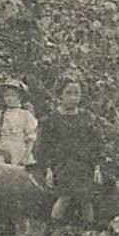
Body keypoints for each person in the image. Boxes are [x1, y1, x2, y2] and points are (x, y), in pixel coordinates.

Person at [37, 81, 103, 227]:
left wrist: (97, 168)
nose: (73, 98)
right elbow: (44, 147)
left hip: (84, 165)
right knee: (65, 196)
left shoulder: (86, 117)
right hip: (62, 165)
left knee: (87, 200)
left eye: (76, 93)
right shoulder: (51, 119)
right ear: (60, 95)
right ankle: (54, 231)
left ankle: (88, 232)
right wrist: (48, 170)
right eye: (68, 93)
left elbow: (96, 144)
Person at [0, 79, 37, 167]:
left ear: (20, 98)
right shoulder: (0, 115)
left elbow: (30, 138)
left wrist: (26, 155)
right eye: (7, 95)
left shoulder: (25, 115)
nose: (9, 98)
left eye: (13, 96)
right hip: (2, 149)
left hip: (19, 150)